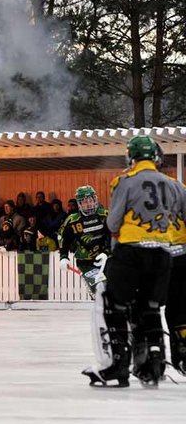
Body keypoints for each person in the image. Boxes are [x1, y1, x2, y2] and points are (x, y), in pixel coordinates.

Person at [82, 136, 183, 388]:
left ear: (132, 157)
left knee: (113, 305)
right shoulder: (174, 185)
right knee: (149, 307)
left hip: (131, 252)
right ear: (156, 158)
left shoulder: (124, 181)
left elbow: (113, 222)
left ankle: (117, 364)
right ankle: (154, 361)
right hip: (162, 254)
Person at [58, 186, 110, 295]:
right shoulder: (72, 220)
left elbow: (114, 236)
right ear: (79, 204)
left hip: (107, 260)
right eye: (85, 202)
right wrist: (63, 257)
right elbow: (63, 238)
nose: (89, 204)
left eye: (91, 200)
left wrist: (107, 252)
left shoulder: (105, 215)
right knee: (100, 290)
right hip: (86, 263)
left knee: (115, 290)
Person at [166, 179, 186, 375]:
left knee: (171, 310)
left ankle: (153, 357)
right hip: (180, 257)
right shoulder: (181, 190)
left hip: (161, 258)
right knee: (179, 309)